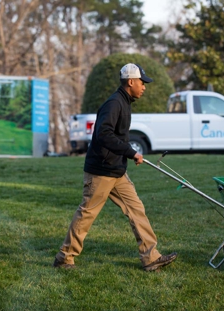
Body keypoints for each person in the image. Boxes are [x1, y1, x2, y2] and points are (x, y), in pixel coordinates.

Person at [53, 63, 177, 272]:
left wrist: (129, 153)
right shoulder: (114, 104)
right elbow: (104, 135)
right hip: (101, 171)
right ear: (131, 82)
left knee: (136, 210)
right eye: (142, 82)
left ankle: (150, 257)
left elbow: (116, 138)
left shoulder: (124, 102)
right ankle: (64, 257)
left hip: (116, 171)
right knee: (86, 214)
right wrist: (131, 152)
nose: (144, 87)